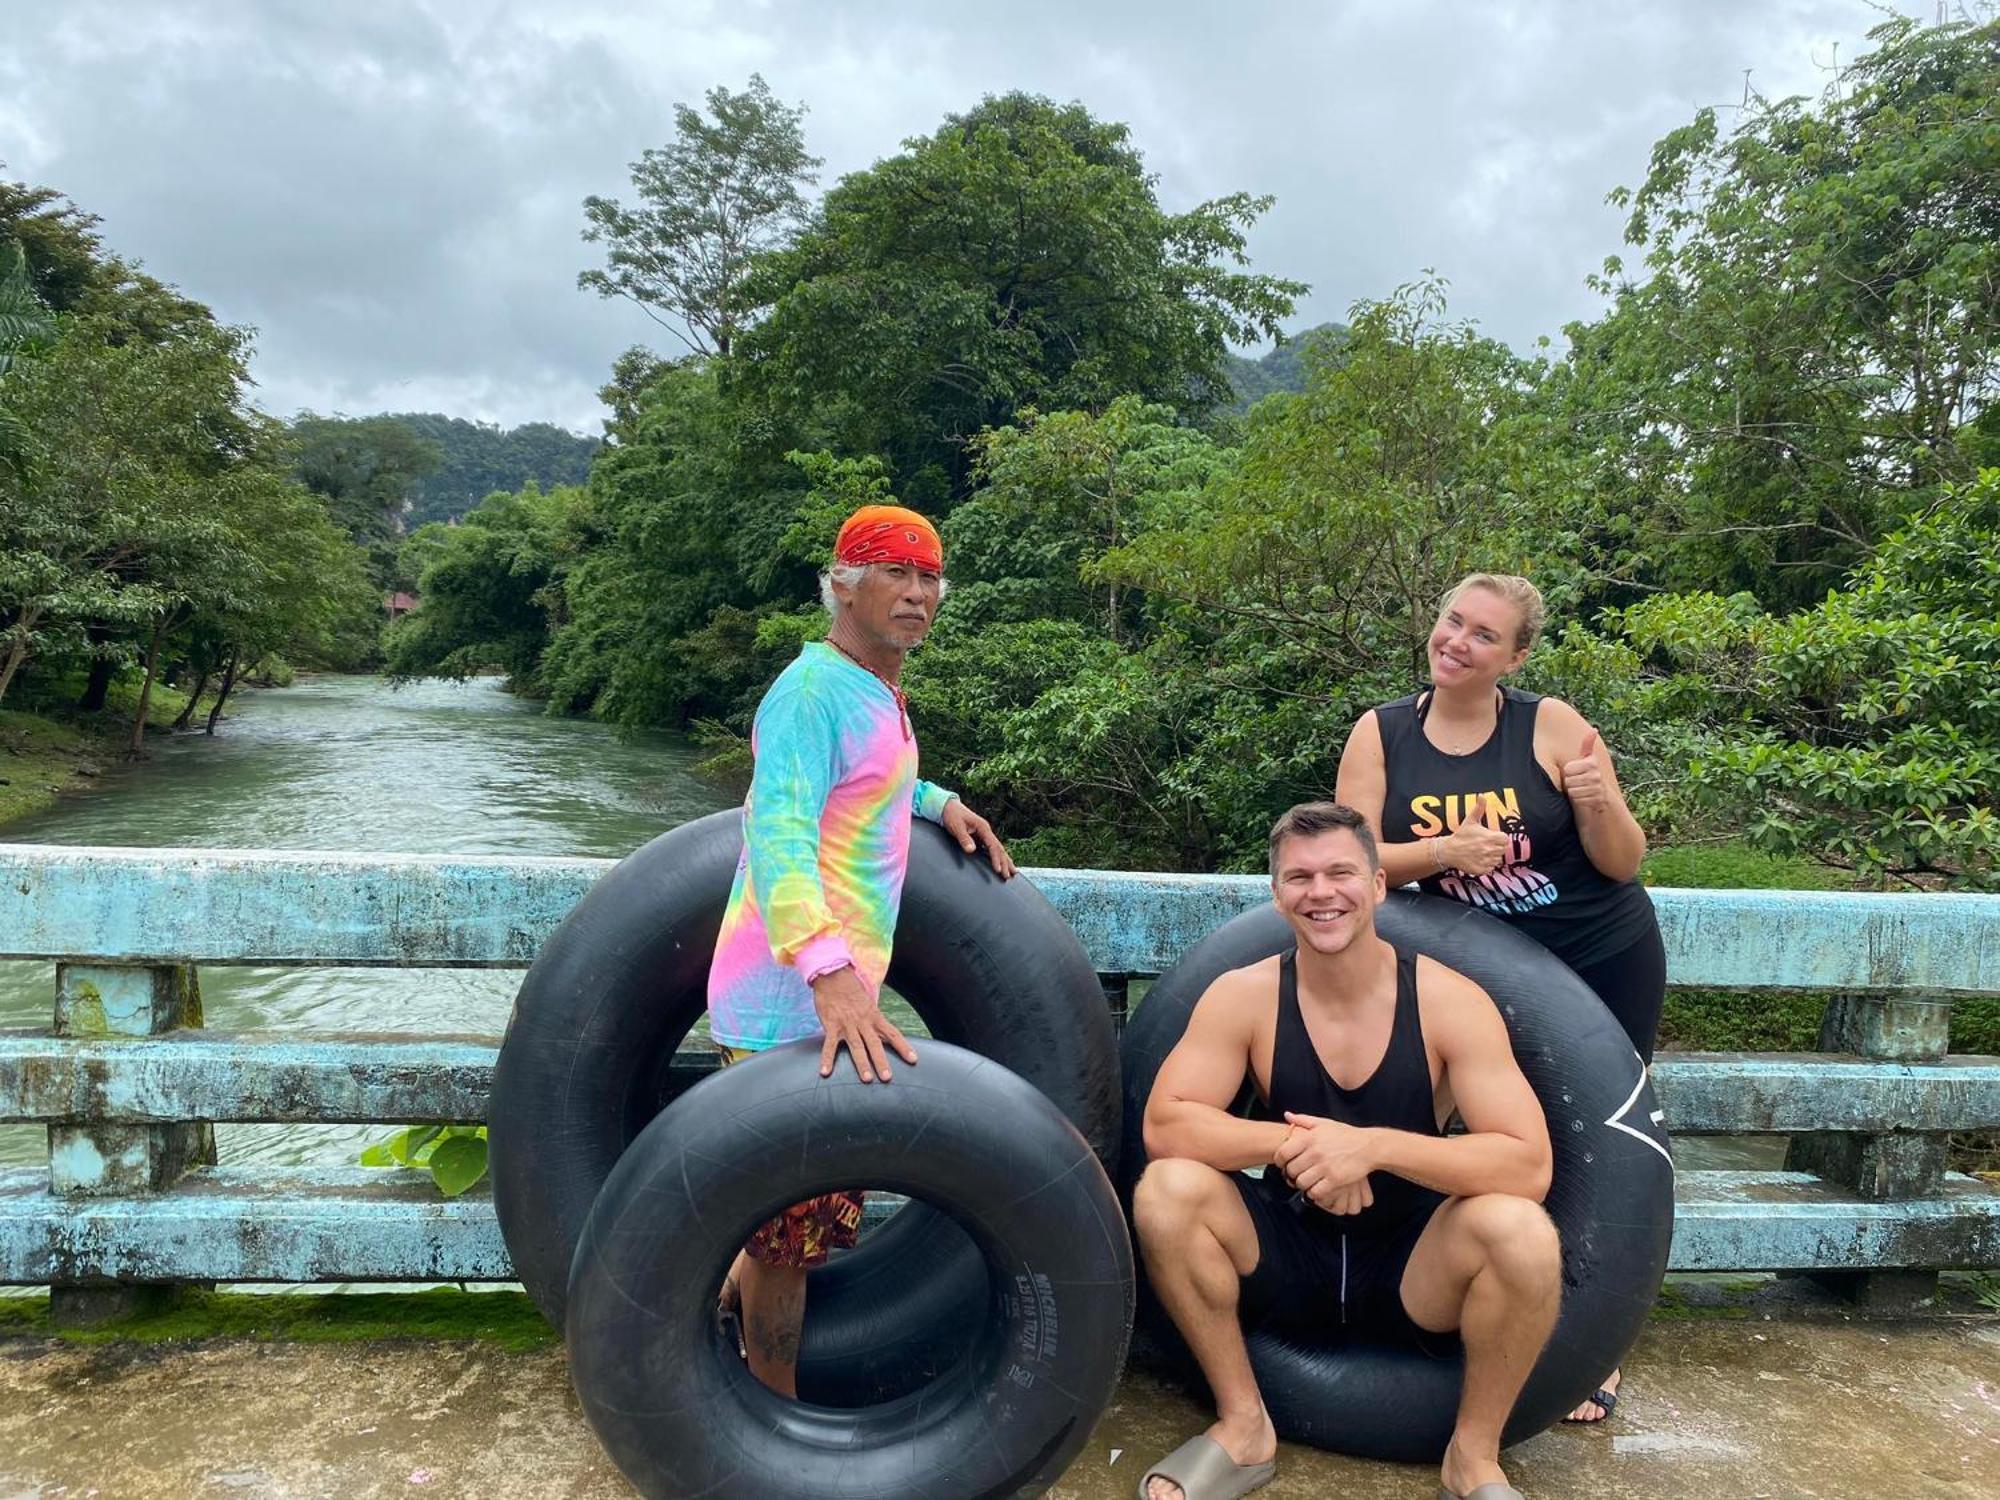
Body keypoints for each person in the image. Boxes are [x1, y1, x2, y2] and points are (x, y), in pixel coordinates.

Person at [1134, 802, 1558, 1500]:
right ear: (1277, 895)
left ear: (1379, 884)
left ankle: (1473, 1457)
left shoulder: (1451, 1002)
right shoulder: (1244, 997)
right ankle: (1244, 1427)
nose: (1321, 892)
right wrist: (1301, 1145)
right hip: (1288, 1252)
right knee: (1168, 1190)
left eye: (1341, 872)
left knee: (1521, 1233)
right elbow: (1167, 1126)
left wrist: (1373, 1149)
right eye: (1299, 877)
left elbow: (1526, 1164)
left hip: (1413, 1266)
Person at [1335, 571, 1661, 1424]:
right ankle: (1460, 1304)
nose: (1458, 641)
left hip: (1599, 959)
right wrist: (1444, 851)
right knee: (1485, 1138)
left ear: (1514, 657)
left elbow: (1622, 860)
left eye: (1484, 634)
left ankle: (1597, 1345)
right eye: (1452, 621)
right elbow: (1352, 856)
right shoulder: (1382, 732)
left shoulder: (1550, 725)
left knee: (1602, 1153)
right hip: (1478, 975)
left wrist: (1596, 803)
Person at [706, 502, 1015, 1397]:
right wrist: (833, 976)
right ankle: (771, 1415)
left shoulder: (872, 690)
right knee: (792, 1238)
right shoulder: (807, 694)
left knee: (791, 1220)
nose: (917, 595)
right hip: (784, 999)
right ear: (845, 584)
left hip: (820, 994)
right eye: (895, 575)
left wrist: (941, 801)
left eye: (928, 579)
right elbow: (781, 837)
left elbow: (874, 777)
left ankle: (718, 1315)